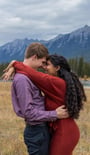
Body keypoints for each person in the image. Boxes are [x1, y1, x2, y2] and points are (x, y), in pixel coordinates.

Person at [3, 54, 86, 155]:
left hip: (65, 133)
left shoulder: (56, 82)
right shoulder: (58, 82)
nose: (44, 67)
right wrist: (14, 68)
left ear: (57, 68)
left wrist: (15, 63)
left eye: (47, 65)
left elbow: (33, 74)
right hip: (61, 130)